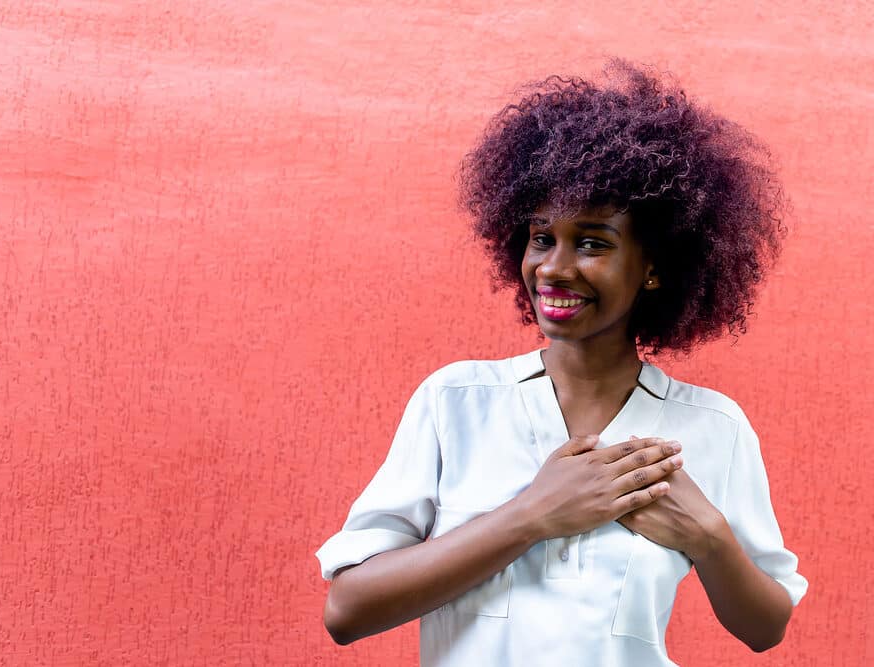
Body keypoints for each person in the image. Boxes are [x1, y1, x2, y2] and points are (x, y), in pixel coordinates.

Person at [315, 59, 808, 666]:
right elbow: (347, 610)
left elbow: (766, 627)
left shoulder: (712, 427)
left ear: (655, 268)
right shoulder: (456, 402)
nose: (552, 267)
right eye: (542, 237)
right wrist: (531, 516)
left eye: (594, 243)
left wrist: (709, 538)